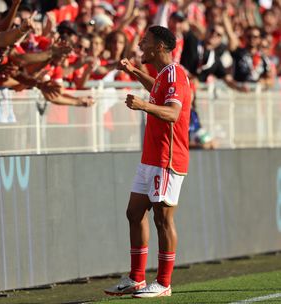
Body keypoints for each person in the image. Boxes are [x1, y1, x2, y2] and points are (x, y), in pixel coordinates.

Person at [104, 25, 192, 298]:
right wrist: (134, 73)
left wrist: (144, 106)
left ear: (161, 47)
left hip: (167, 156)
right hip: (151, 157)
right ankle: (136, 278)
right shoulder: (165, 74)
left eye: (146, 41)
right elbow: (158, 91)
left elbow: (173, 114)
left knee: (163, 218)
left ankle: (164, 283)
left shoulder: (176, 73)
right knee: (134, 212)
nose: (141, 44)